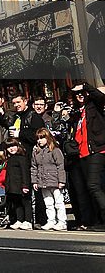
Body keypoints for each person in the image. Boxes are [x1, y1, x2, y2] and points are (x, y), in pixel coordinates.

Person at [69, 82, 105, 228]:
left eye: (82, 93)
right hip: (83, 154)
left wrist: (85, 86)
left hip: (97, 150)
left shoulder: (94, 107)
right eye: (77, 94)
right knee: (89, 188)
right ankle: (97, 220)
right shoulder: (78, 112)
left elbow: (101, 98)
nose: (80, 96)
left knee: (93, 184)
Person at [30, 127, 67, 231]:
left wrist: (61, 181)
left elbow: (60, 166)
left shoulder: (55, 150)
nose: (39, 141)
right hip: (43, 181)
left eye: (42, 138)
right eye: (38, 138)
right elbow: (34, 167)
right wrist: (34, 181)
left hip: (55, 180)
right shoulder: (36, 151)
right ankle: (51, 220)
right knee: (48, 203)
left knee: (59, 202)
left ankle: (62, 221)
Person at [4, 137, 32, 229]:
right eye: (9, 147)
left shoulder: (22, 158)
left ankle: (28, 221)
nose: (11, 149)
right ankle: (19, 220)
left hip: (21, 185)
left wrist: (25, 185)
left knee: (25, 203)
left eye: (13, 146)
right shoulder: (9, 159)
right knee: (17, 204)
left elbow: (25, 173)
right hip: (13, 186)